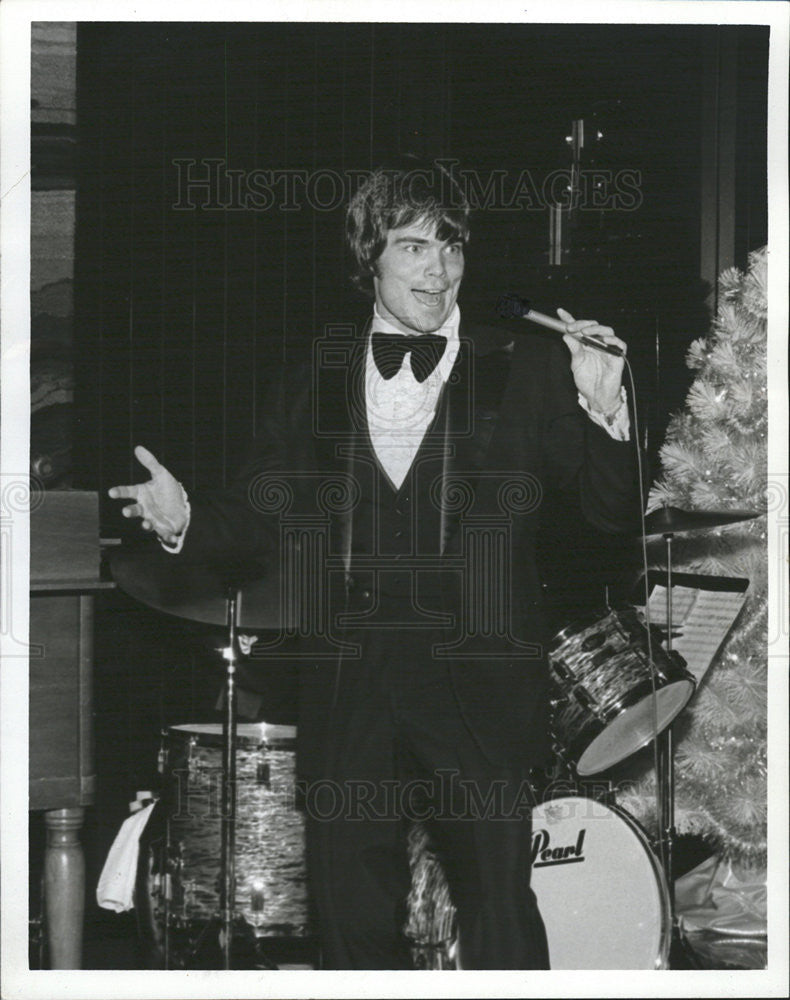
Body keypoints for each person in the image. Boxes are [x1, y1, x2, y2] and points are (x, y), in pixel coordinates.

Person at [109, 157, 638, 969]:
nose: (440, 268)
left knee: (499, 908)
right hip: (349, 673)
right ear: (371, 259)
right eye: (415, 246)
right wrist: (185, 520)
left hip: (479, 676)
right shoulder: (314, 379)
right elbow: (256, 515)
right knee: (350, 913)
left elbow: (610, 515)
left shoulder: (527, 368)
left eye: (452, 245)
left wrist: (607, 409)